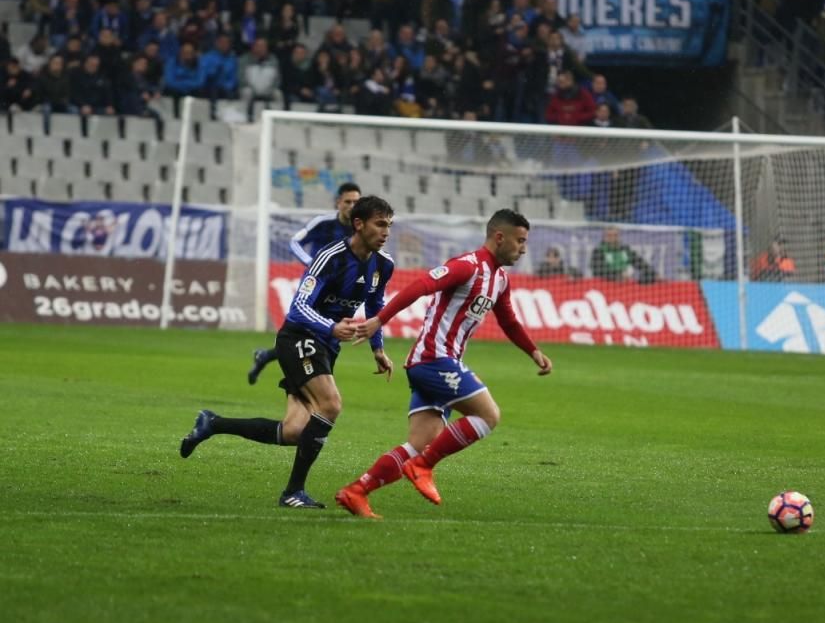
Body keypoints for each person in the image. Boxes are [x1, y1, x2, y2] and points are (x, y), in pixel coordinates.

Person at [334, 209, 553, 518]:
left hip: (437, 362)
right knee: (488, 415)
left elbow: (509, 320)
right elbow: (420, 286)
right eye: (520, 241)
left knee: (418, 444)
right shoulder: (467, 266)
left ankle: (357, 491)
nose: (523, 249)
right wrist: (379, 320)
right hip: (433, 359)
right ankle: (423, 468)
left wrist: (533, 351)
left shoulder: (500, 279)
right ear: (499, 237)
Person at [181, 196, 396, 509]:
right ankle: (293, 492)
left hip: (325, 346)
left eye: (389, 225)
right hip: (298, 337)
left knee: (295, 431)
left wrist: (378, 348)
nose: (386, 231)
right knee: (331, 404)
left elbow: (376, 305)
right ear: (359, 224)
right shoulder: (330, 257)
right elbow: (297, 309)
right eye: (380, 224)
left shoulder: (384, 265)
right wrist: (332, 327)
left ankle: (212, 423)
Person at [248, 182, 362, 385]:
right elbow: (294, 241)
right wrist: (311, 263)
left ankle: (267, 357)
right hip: (316, 284)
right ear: (338, 202)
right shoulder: (323, 223)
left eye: (356, 202)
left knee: (325, 333)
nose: (352, 205)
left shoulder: (359, 228)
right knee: (304, 327)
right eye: (348, 201)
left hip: (339, 290)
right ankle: (302, 378)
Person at [590, 227, 656, 284]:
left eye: (615, 235)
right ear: (604, 237)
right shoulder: (598, 251)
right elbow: (598, 271)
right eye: (609, 236)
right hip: (607, 285)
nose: (613, 238)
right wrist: (618, 276)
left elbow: (640, 262)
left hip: (625, 286)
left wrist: (651, 272)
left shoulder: (625, 250)